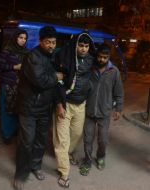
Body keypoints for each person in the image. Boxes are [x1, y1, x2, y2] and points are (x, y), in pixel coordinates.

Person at [13, 26, 63, 190]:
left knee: (41, 140)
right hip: (29, 107)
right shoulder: (32, 56)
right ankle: (21, 174)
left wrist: (57, 103)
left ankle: (35, 166)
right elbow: (41, 81)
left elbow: (55, 84)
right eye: (48, 42)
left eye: (53, 42)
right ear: (41, 41)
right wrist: (56, 77)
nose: (51, 45)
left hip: (44, 107)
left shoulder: (52, 56)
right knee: (27, 141)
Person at [53, 32, 95, 188]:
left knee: (76, 134)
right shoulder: (64, 58)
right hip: (65, 104)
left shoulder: (91, 59)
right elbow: (57, 83)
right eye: (81, 45)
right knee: (62, 139)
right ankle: (64, 172)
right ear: (75, 45)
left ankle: (67, 153)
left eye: (86, 46)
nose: (83, 49)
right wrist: (58, 104)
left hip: (81, 105)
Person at [79, 43, 124, 176]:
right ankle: (87, 161)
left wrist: (118, 108)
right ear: (96, 56)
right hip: (89, 111)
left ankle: (100, 157)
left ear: (109, 57)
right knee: (87, 139)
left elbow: (119, 92)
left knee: (103, 140)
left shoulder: (114, 71)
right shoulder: (90, 68)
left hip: (104, 112)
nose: (101, 60)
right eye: (99, 57)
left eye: (105, 57)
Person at [0, 29, 28, 144]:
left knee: (17, 108)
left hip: (20, 85)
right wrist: (15, 67)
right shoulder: (7, 50)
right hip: (8, 85)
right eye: (21, 38)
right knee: (7, 110)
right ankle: (6, 134)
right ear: (15, 38)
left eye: (25, 38)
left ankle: (14, 130)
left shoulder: (26, 52)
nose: (23, 40)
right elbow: (0, 66)